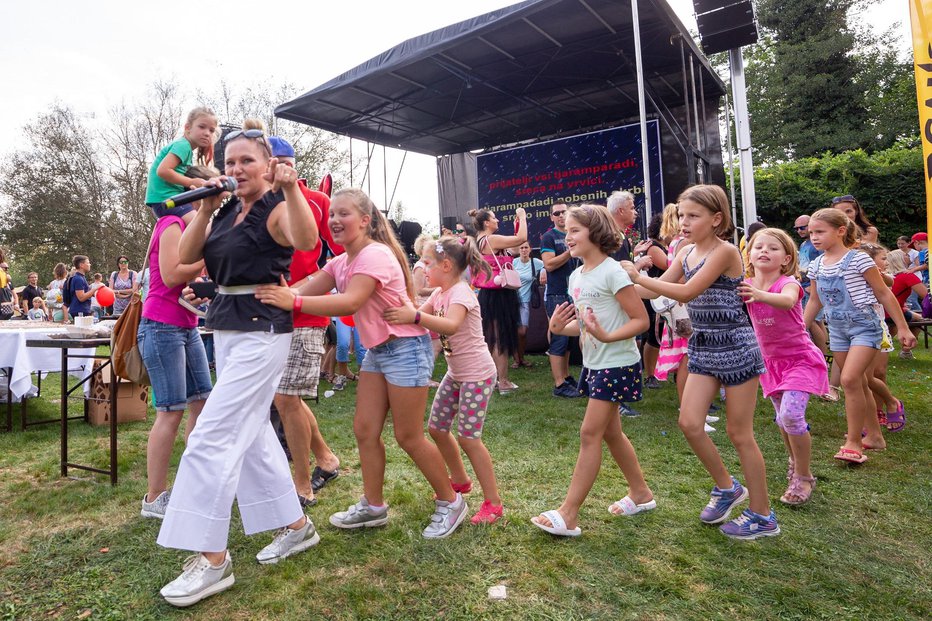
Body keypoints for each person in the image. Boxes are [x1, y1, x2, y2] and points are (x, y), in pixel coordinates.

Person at [156, 120, 321, 607]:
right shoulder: (224, 208)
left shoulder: (276, 208)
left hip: (262, 332)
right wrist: (205, 209)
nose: (236, 169)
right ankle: (297, 526)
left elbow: (307, 240)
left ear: (268, 165)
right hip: (225, 327)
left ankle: (212, 560)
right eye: (229, 162)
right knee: (250, 437)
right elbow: (185, 260)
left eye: (246, 160)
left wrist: (290, 188)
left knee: (212, 434)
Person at [257, 188, 467, 539]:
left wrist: (290, 302)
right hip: (378, 353)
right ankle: (374, 505)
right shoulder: (341, 261)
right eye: (332, 215)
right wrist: (268, 294)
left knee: (409, 436)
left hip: (405, 350)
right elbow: (306, 287)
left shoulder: (375, 255)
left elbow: (349, 302)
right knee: (365, 430)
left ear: (366, 221)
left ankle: (451, 502)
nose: (335, 220)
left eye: (344, 214)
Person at [624, 184, 777, 540]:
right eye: (682, 215)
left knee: (740, 434)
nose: (684, 222)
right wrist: (619, 285)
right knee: (690, 423)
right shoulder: (686, 252)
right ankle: (727, 488)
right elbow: (656, 289)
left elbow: (687, 292)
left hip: (737, 346)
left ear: (717, 219)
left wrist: (639, 277)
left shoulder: (724, 252)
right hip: (704, 345)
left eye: (693, 216)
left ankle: (763, 514)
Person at [532, 204, 653, 537]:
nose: (566, 237)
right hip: (595, 364)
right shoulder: (576, 275)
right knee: (611, 433)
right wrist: (561, 328)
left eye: (574, 231)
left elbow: (640, 320)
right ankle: (641, 494)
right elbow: (586, 327)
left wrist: (606, 336)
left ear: (595, 232)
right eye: (566, 231)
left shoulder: (612, 272)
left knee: (590, 434)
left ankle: (568, 513)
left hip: (618, 363)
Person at [384, 235, 505, 525]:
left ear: (447, 265)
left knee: (468, 438)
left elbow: (448, 324)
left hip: (477, 375)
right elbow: (417, 318)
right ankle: (460, 480)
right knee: (437, 428)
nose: (423, 268)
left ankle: (494, 503)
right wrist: (399, 313)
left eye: (427, 263)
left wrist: (413, 316)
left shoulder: (461, 294)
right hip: (457, 373)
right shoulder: (440, 293)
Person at [802, 208, 916, 464]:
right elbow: (815, 300)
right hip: (838, 329)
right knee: (860, 383)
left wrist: (904, 327)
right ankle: (874, 436)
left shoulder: (859, 260)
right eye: (811, 233)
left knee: (850, 378)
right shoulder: (817, 265)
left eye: (820, 231)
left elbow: (884, 293)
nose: (814, 237)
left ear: (841, 231)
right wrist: (801, 329)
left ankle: (853, 442)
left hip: (865, 326)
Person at [266, 135, 343, 506]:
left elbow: (346, 254)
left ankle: (301, 484)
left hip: (305, 313)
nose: (275, 166)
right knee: (286, 399)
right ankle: (326, 459)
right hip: (262, 315)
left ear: (291, 164)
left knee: (285, 398)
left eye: (281, 159)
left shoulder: (317, 201)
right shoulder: (255, 204)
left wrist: (305, 287)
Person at [738, 228, 827, 505]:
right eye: (759, 247)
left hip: (800, 360)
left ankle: (803, 476)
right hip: (770, 364)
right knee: (782, 419)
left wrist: (759, 295)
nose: (764, 251)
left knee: (791, 416)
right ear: (749, 255)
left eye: (773, 248)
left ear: (786, 259)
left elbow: (788, 301)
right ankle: (794, 460)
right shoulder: (746, 283)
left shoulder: (788, 283)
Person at [138, 202, 213, 522]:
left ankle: (193, 481)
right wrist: (211, 261)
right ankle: (154, 498)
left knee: (201, 403)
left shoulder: (193, 228)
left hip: (187, 326)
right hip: (160, 325)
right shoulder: (171, 223)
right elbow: (170, 275)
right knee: (170, 411)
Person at [469, 206, 528, 395]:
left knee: (493, 338)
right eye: (494, 218)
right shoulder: (490, 239)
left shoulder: (481, 241)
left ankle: (497, 379)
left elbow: (515, 248)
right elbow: (521, 239)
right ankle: (503, 381)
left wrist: (517, 225)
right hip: (499, 295)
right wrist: (522, 216)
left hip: (490, 295)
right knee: (500, 337)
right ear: (486, 222)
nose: (497, 221)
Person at [859, 244, 907, 433]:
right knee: (865, 377)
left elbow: (889, 282)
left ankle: (879, 410)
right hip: (859, 330)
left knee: (878, 373)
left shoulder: (880, 275)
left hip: (878, 329)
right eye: (883, 258)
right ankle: (889, 402)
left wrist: (877, 271)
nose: (886, 262)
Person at [145, 107, 218, 220]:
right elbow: (163, 171)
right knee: (202, 226)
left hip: (168, 198)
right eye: (202, 127)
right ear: (187, 127)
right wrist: (191, 182)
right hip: (166, 198)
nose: (207, 133)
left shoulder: (186, 149)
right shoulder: (183, 146)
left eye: (211, 130)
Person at [540, 203, 581, 398]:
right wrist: (570, 251)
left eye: (564, 212)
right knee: (559, 338)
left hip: (573, 292)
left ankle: (565, 377)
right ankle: (559, 384)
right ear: (551, 217)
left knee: (569, 340)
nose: (561, 216)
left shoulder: (572, 235)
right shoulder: (549, 236)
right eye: (557, 213)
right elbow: (548, 264)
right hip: (557, 293)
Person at [632, 213, 669, 388]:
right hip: (655, 295)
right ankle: (650, 374)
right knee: (654, 337)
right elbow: (669, 266)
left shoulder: (664, 246)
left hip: (664, 295)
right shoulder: (654, 247)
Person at [794, 214, 827, 354]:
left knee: (811, 320)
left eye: (802, 227)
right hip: (804, 285)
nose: (799, 230)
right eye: (796, 228)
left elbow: (824, 263)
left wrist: (815, 285)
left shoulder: (817, 244)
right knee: (817, 321)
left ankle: (822, 355)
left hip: (813, 287)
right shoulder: (803, 244)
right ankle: (824, 353)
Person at [887, 248, 928, 360]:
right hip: (894, 312)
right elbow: (926, 295)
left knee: (896, 324)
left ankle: (881, 348)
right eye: (905, 255)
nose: (908, 256)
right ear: (899, 259)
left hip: (884, 311)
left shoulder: (887, 276)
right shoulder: (907, 276)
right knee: (919, 319)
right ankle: (906, 351)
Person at [512, 241, 543, 368]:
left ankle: (522, 357)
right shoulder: (514, 263)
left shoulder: (536, 262)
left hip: (525, 301)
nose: (524, 250)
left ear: (530, 249)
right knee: (513, 330)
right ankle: (517, 360)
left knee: (523, 332)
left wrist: (545, 272)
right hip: (512, 300)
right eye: (521, 248)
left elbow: (549, 265)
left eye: (526, 247)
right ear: (518, 250)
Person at [64, 255, 97, 320]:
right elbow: (81, 298)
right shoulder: (78, 279)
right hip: (79, 311)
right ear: (81, 265)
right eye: (88, 263)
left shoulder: (81, 277)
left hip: (82, 309)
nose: (89, 264)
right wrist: (95, 289)